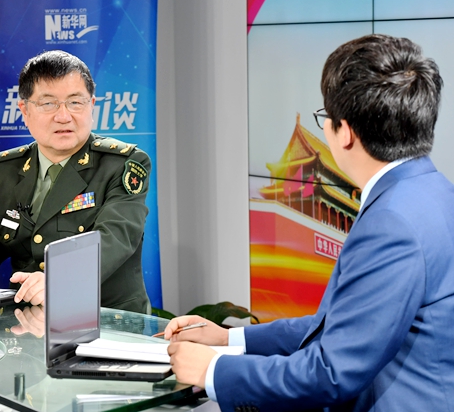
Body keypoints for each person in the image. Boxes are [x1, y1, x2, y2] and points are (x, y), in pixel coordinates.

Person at [165, 34, 454, 411]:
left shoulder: (391, 223)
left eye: (326, 118)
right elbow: (345, 325)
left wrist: (214, 371)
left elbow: (332, 372)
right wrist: (230, 339)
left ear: (345, 132)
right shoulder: (433, 192)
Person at [0, 50, 151, 314]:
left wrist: (58, 280)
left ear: (92, 105)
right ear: (25, 110)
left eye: (75, 102)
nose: (63, 116)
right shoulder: (1, 171)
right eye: (48, 104)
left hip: (105, 318)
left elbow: (116, 237)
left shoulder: (122, 164)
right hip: (27, 320)